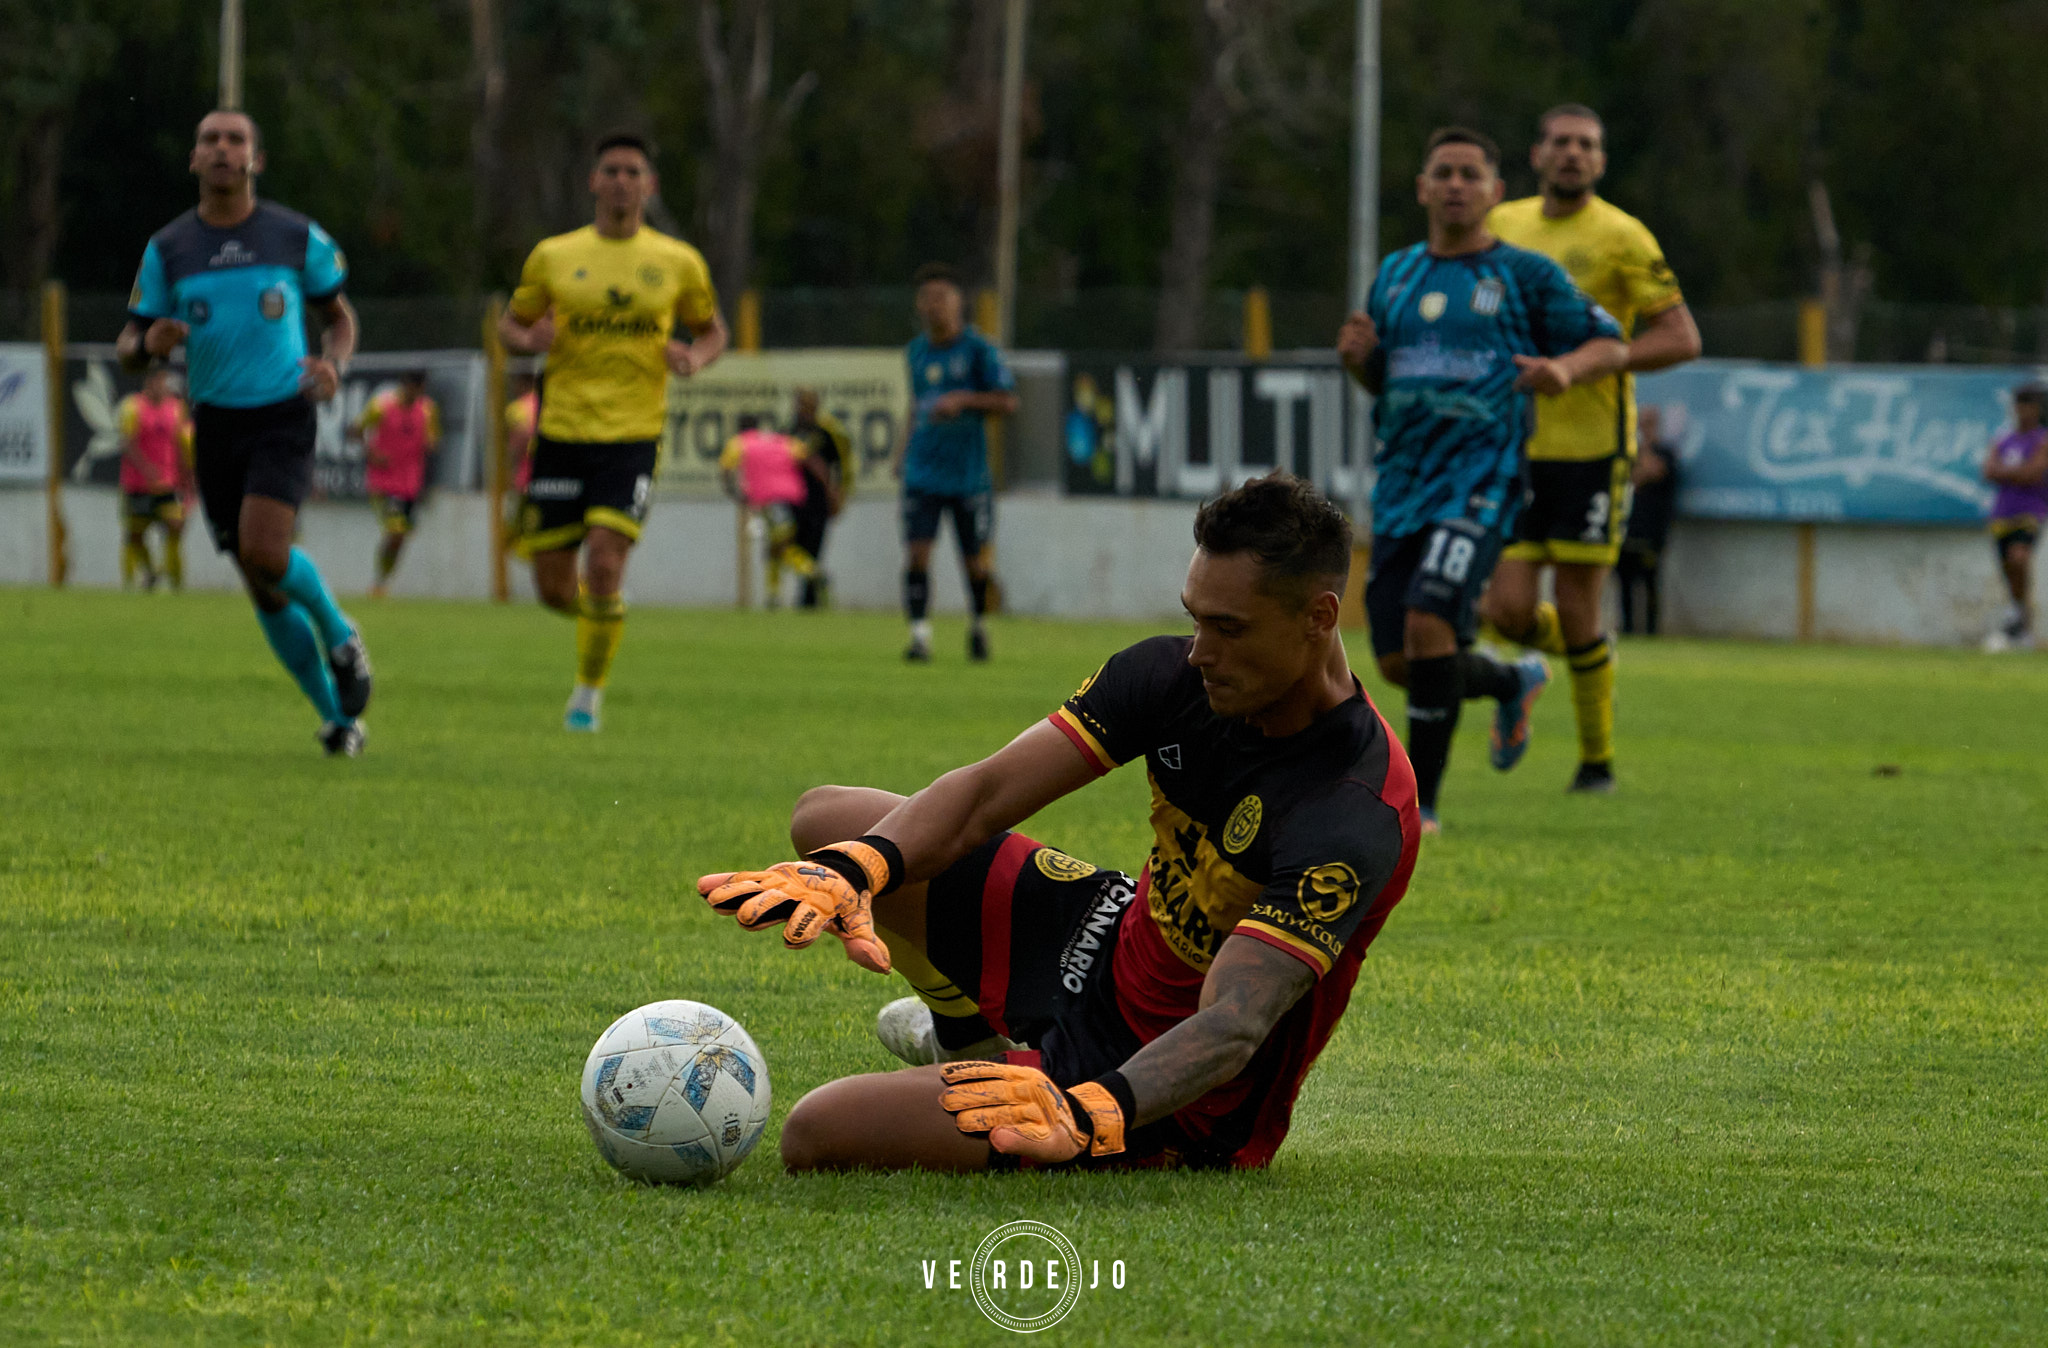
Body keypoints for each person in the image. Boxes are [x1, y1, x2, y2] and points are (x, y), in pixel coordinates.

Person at [697, 475, 1419, 1173]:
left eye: (1228, 628)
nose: (1200, 650)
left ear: (1319, 619)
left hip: (1156, 1086)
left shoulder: (1355, 809)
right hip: (1104, 935)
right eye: (1195, 617)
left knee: (817, 1132)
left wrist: (1090, 1111)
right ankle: (965, 1037)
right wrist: (857, 870)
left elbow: (1234, 1023)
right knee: (833, 821)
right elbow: (984, 796)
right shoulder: (1171, 677)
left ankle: (1029, 1075)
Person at [1338, 127, 1627, 833]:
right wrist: (1357, 363)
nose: (1458, 185)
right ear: (1423, 188)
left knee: (1431, 620)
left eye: (1472, 174)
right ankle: (1509, 678)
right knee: (1404, 660)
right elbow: (1389, 380)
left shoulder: (1525, 277)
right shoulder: (1397, 275)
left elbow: (1611, 338)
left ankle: (1421, 808)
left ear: (1496, 193)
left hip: (1483, 479)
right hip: (1404, 483)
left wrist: (1565, 369)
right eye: (1445, 172)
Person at [116, 109, 372, 756]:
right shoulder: (169, 248)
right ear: (194, 160)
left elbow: (339, 319)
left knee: (264, 549)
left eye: (236, 140)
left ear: (256, 160)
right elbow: (127, 344)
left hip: (282, 413)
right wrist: (148, 340)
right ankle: (338, 721)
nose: (223, 149)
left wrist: (334, 365)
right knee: (259, 580)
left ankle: (341, 633)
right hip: (216, 422)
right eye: (210, 140)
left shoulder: (294, 235)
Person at [1481, 104, 1703, 792]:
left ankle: (1596, 762)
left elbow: (1681, 338)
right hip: (1514, 445)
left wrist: (1594, 362)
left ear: (1600, 161)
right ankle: (1540, 668)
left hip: (1591, 447)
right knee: (1506, 611)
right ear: (1537, 153)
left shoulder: (1622, 235)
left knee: (1579, 604)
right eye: (1561, 143)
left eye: (1586, 145)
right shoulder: (1501, 227)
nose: (1572, 154)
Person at [498, 132, 727, 731]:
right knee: (552, 588)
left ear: (649, 185)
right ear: (593, 182)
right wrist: (529, 339)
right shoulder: (554, 255)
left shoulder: (678, 262)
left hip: (632, 435)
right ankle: (606, 617)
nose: (622, 181)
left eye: (633, 171)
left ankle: (587, 697)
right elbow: (510, 326)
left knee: (604, 561)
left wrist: (696, 358)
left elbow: (713, 330)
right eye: (611, 171)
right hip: (562, 432)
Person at [896, 262, 1017, 663]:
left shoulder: (980, 350)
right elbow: (916, 406)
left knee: (974, 563)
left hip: (968, 477)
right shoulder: (915, 353)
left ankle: (978, 627)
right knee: (917, 554)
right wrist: (902, 452)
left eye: (941, 298)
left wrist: (963, 400)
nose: (934, 306)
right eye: (927, 299)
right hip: (923, 473)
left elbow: (1008, 401)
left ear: (957, 302)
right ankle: (919, 637)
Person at [355, 369, 441, 597]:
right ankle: (379, 584)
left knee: (400, 538)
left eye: (420, 389)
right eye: (413, 388)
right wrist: (372, 453)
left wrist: (430, 445)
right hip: (383, 481)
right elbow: (355, 431)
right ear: (404, 385)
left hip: (410, 484)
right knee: (395, 530)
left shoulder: (427, 410)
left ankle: (380, 582)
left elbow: (432, 442)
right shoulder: (380, 406)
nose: (416, 394)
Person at [719, 413, 817, 607]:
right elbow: (805, 455)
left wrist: (735, 494)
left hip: (768, 500)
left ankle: (810, 570)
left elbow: (725, 469)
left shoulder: (740, 443)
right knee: (774, 547)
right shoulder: (780, 440)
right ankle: (773, 595)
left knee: (780, 547)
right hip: (792, 497)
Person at [1982, 383, 2047, 651]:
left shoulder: (2042, 439)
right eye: (2018, 405)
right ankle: (2019, 621)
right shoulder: (2003, 437)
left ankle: (2017, 617)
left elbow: (2034, 473)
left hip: (2030, 512)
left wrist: (2006, 472)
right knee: (2008, 568)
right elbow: (1988, 469)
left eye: (2027, 405)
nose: (2022, 411)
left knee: (2018, 558)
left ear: (2037, 409)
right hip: (2003, 513)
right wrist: (2016, 473)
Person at [116, 365, 193, 591]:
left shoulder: (176, 409)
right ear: (149, 382)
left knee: (175, 525)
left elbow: (182, 445)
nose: (164, 387)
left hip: (168, 483)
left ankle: (176, 583)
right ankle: (147, 575)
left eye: (165, 382)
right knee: (135, 535)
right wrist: (146, 468)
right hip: (137, 484)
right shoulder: (132, 407)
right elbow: (127, 443)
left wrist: (186, 477)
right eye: (160, 381)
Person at [1617, 404, 1680, 636]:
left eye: (1648, 422)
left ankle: (1652, 631)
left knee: (1651, 583)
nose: (1644, 427)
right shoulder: (1629, 452)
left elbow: (1651, 472)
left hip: (1653, 531)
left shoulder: (1665, 452)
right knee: (1625, 585)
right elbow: (1631, 478)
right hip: (1627, 529)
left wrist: (1644, 444)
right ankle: (1628, 629)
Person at [787, 387, 850, 609]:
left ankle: (808, 601)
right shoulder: (789, 431)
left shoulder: (825, 434)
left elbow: (839, 466)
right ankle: (814, 582)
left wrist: (837, 493)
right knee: (791, 548)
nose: (804, 410)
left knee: (814, 550)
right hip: (793, 503)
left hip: (818, 502)